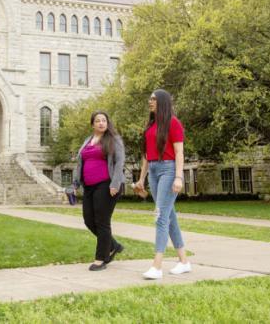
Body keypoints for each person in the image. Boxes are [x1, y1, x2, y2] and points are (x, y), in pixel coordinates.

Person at [132, 89, 191, 279]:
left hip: (168, 169)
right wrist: (141, 178)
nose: (150, 101)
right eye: (149, 98)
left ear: (163, 102)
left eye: (154, 99)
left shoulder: (173, 123)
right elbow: (146, 156)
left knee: (160, 216)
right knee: (169, 215)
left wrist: (179, 177)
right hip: (154, 171)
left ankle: (157, 266)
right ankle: (184, 261)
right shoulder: (151, 125)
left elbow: (179, 152)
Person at [73, 110, 126, 271]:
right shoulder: (87, 140)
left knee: (102, 222)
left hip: (107, 185)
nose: (101, 123)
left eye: (104, 120)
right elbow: (80, 163)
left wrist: (115, 184)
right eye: (98, 121)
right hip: (89, 186)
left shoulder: (113, 140)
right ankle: (113, 245)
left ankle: (101, 259)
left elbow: (119, 162)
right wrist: (75, 184)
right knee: (89, 220)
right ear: (92, 124)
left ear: (107, 123)